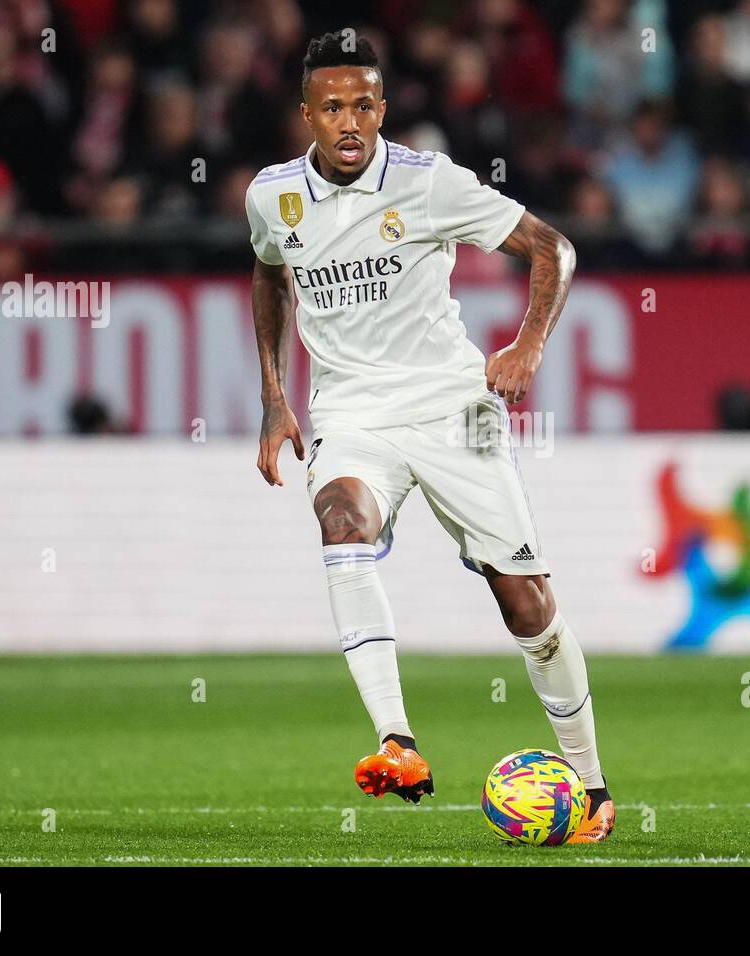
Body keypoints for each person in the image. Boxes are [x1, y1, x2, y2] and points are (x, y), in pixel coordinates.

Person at [245, 33, 614, 842]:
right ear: (307, 113)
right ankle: (397, 741)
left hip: (454, 406)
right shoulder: (272, 197)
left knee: (526, 604)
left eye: (364, 105)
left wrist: (527, 343)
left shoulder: (428, 184)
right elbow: (271, 274)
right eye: (333, 106)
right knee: (340, 517)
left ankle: (591, 785)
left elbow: (554, 247)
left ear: (383, 108)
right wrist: (276, 396)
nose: (350, 121)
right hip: (351, 414)